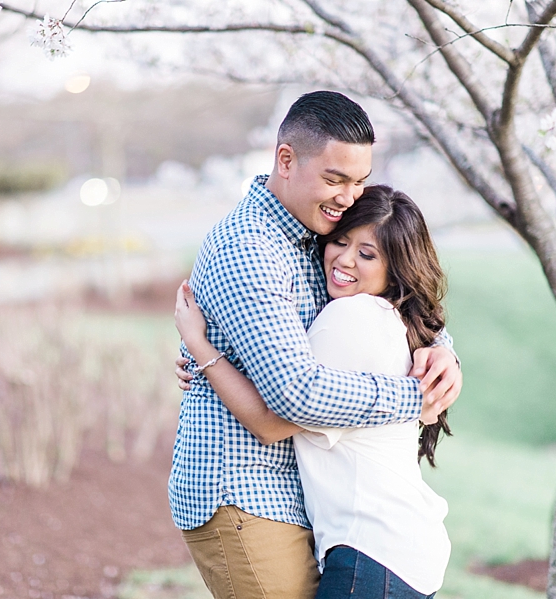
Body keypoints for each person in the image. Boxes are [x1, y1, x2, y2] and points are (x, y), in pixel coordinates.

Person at [169, 90, 462, 599]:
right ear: (286, 159)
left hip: (302, 497)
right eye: (335, 179)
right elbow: (296, 396)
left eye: (359, 181)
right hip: (244, 492)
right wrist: (415, 397)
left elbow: (389, 292)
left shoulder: (314, 237)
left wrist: (444, 351)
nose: (349, 196)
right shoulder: (251, 248)